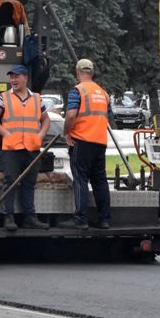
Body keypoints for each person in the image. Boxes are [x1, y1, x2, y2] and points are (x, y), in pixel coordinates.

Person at [0, 65, 50, 231]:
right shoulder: (3, 98)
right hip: (12, 148)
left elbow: (46, 120)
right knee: (10, 182)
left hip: (32, 148)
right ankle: (8, 217)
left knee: (29, 183)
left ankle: (30, 217)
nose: (13, 80)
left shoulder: (37, 98)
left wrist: (40, 135)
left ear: (25, 78)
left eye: (16, 77)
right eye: (11, 77)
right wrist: (6, 134)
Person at [59, 58, 111, 230]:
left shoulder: (77, 90)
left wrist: (66, 132)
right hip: (100, 141)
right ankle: (104, 219)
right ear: (92, 72)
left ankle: (80, 219)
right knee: (100, 180)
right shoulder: (103, 93)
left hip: (82, 141)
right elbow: (106, 115)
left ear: (77, 72)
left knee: (80, 179)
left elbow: (72, 114)